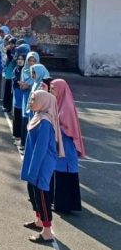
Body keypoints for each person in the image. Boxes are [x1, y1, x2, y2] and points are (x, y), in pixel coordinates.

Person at [21, 90, 64, 245]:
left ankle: (47, 232)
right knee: (32, 191)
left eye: (33, 100)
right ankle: (38, 221)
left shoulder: (45, 121)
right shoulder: (38, 116)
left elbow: (41, 149)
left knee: (41, 194)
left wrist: (33, 169)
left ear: (43, 102)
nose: (31, 102)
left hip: (41, 163)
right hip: (35, 161)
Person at [49, 78, 85, 213]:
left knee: (64, 175)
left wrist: (54, 124)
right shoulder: (59, 103)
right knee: (60, 174)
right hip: (61, 146)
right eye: (51, 88)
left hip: (66, 147)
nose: (51, 91)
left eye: (53, 89)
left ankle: (64, 206)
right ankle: (63, 204)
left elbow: (68, 129)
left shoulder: (66, 107)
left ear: (61, 90)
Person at [20, 52, 43, 148]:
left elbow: (38, 84)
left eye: (34, 60)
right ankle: (23, 143)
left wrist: (28, 85)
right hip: (25, 96)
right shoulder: (24, 70)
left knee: (30, 120)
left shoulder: (39, 71)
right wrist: (22, 85)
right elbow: (22, 82)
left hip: (34, 99)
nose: (31, 62)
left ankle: (28, 145)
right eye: (29, 60)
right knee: (24, 117)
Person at [11, 54, 26, 142]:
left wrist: (23, 83)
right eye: (18, 59)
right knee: (16, 114)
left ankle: (20, 135)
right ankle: (16, 134)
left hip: (23, 95)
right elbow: (14, 79)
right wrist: (17, 81)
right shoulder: (16, 69)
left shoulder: (27, 70)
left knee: (22, 116)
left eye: (22, 59)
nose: (19, 61)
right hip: (17, 95)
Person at [0, 26, 10, 99]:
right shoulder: (0, 39)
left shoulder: (8, 39)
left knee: (2, 76)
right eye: (0, 31)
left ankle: (2, 95)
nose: (1, 33)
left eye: (2, 31)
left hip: (4, 59)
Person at [1, 36, 17, 113]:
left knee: (10, 92)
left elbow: (12, 59)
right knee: (6, 91)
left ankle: (8, 107)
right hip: (8, 74)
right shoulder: (9, 51)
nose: (11, 45)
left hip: (12, 76)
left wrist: (8, 53)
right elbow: (5, 61)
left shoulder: (15, 52)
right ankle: (5, 105)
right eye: (10, 43)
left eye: (13, 43)